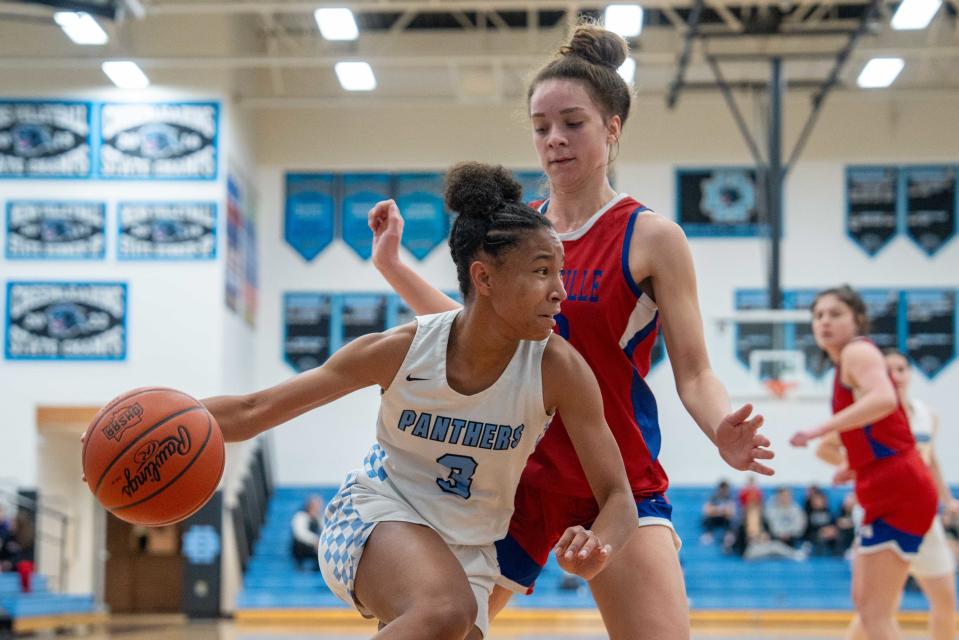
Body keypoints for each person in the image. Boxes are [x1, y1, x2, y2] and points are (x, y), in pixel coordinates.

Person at [367, 21, 774, 639]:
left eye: (573, 123)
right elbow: (463, 326)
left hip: (613, 480)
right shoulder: (516, 229)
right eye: (540, 127)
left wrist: (722, 426)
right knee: (440, 629)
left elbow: (695, 372)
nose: (554, 139)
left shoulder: (652, 237)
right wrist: (393, 267)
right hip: (512, 480)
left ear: (612, 129)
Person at [203, 163, 637, 640]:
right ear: (484, 277)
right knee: (443, 609)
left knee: (446, 613)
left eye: (560, 273)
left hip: (471, 551)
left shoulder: (560, 369)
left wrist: (602, 541)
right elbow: (252, 411)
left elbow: (618, 496)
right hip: (375, 516)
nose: (560, 291)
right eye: (541, 272)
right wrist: (161, 419)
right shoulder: (403, 350)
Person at [790, 285, 938, 640]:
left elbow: (884, 399)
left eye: (835, 313)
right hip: (884, 481)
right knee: (870, 606)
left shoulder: (857, 351)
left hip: (898, 486)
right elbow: (885, 427)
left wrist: (818, 430)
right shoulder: (847, 364)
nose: (824, 321)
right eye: (818, 315)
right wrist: (855, 464)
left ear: (857, 320)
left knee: (874, 612)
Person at [291, 495, 324, 571]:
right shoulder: (300, 516)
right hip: (300, 548)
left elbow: (324, 529)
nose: (319, 507)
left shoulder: (318, 517)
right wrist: (315, 540)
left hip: (314, 547)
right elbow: (300, 534)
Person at [701, 480, 736, 544]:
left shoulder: (729, 498)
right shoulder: (713, 498)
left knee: (731, 521)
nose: (724, 491)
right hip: (713, 519)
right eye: (723, 489)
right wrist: (722, 510)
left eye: (726, 489)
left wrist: (715, 510)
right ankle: (708, 535)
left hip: (724, 520)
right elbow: (706, 511)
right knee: (707, 520)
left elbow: (731, 512)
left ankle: (728, 537)